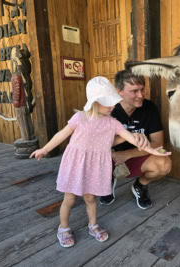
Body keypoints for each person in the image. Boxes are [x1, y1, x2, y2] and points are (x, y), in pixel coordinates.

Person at [30, 77, 170, 248]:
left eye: (113, 102)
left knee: (90, 198)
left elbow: (133, 139)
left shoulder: (113, 123)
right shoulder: (79, 118)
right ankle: (64, 228)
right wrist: (44, 149)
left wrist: (152, 150)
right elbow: (61, 134)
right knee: (69, 198)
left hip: (95, 166)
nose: (113, 107)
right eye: (108, 103)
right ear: (95, 102)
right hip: (75, 164)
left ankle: (93, 225)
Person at [99, 70, 172, 209]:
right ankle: (106, 181)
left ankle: (140, 185)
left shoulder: (149, 107)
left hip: (137, 155)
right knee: (93, 155)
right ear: (119, 91)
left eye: (142, 89)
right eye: (134, 91)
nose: (141, 95)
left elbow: (158, 143)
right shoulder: (108, 109)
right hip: (109, 157)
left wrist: (127, 154)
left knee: (164, 163)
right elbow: (94, 143)